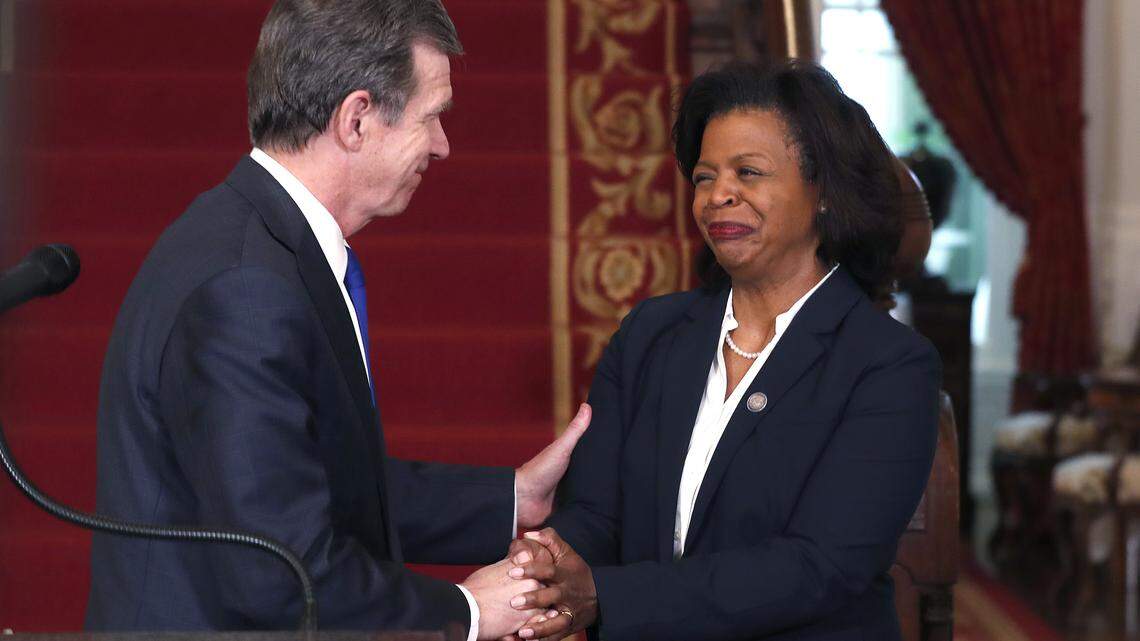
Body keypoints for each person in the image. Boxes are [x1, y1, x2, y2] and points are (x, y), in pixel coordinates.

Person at [84, 1, 587, 638]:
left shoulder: (258, 237)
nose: (442, 144)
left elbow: (310, 484)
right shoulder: (247, 288)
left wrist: (513, 498)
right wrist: (467, 611)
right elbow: (280, 571)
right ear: (356, 119)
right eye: (431, 117)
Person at [504, 60, 943, 641]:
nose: (719, 197)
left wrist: (604, 596)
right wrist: (553, 571)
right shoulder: (651, 334)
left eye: (749, 172)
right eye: (705, 177)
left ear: (824, 195)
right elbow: (596, 514)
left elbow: (819, 567)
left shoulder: (889, 364)